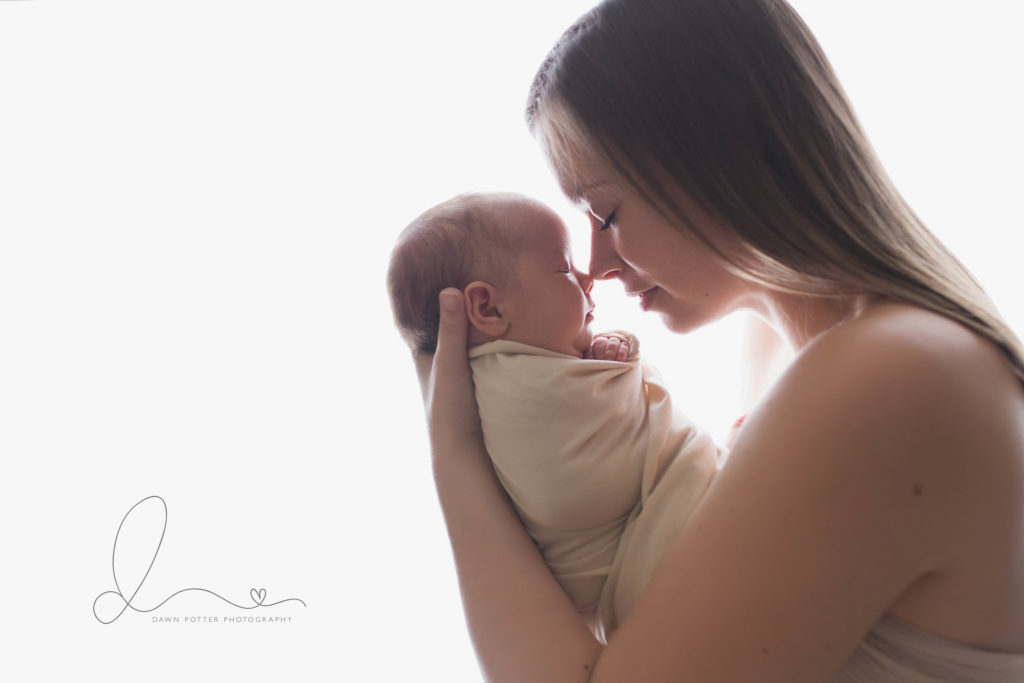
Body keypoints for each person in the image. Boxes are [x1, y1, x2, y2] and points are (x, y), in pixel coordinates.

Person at [414, 0, 1024, 680]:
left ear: (719, 154)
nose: (598, 266)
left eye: (607, 213)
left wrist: (456, 460)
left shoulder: (885, 375)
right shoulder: (794, 363)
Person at [388, 192, 718, 639]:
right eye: (564, 268)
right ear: (488, 308)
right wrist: (618, 370)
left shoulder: (506, 382)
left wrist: (607, 362)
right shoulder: (509, 392)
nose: (588, 276)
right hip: (652, 570)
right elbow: (592, 480)